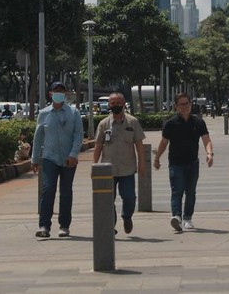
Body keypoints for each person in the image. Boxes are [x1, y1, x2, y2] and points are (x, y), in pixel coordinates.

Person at [154, 92, 214, 232]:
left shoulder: (198, 122)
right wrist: (157, 158)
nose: (185, 107)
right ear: (176, 107)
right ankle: (177, 217)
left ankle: (187, 218)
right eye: (181, 104)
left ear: (191, 104)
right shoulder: (171, 123)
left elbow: (206, 139)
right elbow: (163, 143)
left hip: (193, 162)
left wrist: (209, 153)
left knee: (191, 192)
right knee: (177, 191)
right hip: (175, 163)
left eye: (187, 103)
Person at [31, 81, 84, 238]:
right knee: (48, 190)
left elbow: (78, 135)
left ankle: (64, 226)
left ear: (66, 94)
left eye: (62, 91)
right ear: (50, 94)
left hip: (69, 158)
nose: (59, 93)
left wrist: (73, 154)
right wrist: (34, 158)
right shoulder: (44, 113)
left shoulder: (74, 113)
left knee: (66, 192)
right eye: (56, 91)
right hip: (49, 157)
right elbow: (38, 136)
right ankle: (44, 226)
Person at [93, 92, 146, 234]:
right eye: (113, 103)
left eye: (118, 103)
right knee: (107, 199)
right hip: (107, 168)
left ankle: (127, 217)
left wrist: (142, 163)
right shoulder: (103, 124)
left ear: (123, 104)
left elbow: (139, 145)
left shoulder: (132, 122)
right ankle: (111, 225)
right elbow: (98, 146)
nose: (115, 106)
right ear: (109, 105)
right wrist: (95, 166)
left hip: (127, 169)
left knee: (129, 197)